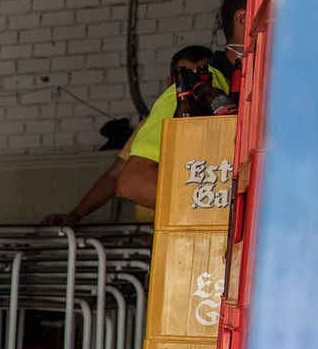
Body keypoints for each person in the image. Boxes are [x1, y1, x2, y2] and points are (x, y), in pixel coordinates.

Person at [42, 46, 217, 226]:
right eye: (185, 77)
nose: (195, 85)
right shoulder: (151, 125)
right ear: (169, 83)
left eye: (201, 76)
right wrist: (76, 215)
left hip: (196, 224)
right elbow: (115, 176)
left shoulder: (222, 121)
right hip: (154, 230)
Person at [117, 0, 249, 208]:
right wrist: (229, 204)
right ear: (243, 20)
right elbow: (133, 181)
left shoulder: (261, 91)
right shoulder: (193, 91)